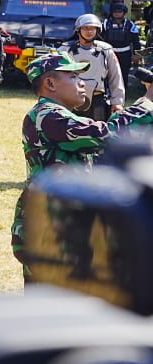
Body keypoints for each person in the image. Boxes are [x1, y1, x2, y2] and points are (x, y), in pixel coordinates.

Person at [12, 52, 153, 279]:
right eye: (74, 76)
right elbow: (106, 135)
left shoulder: (57, 116)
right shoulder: (46, 116)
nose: (82, 83)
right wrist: (147, 102)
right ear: (50, 83)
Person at [57, 13, 125, 120]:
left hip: (97, 99)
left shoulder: (106, 50)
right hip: (70, 98)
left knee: (97, 132)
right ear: (78, 30)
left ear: (97, 30)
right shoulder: (65, 50)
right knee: (69, 132)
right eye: (85, 28)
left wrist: (117, 102)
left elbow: (116, 77)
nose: (89, 31)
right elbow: (54, 75)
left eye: (93, 28)